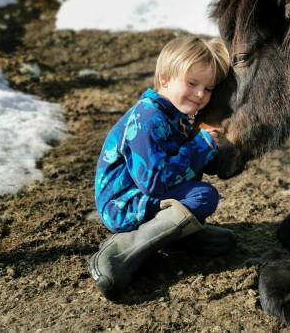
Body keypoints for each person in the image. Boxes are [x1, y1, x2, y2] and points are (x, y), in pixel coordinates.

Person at [88, 35, 235, 299]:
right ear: (165, 78)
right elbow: (154, 181)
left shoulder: (175, 117)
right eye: (192, 83)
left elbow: (185, 164)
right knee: (202, 195)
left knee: (199, 194)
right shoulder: (148, 118)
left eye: (208, 88)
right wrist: (200, 147)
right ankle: (124, 250)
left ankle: (180, 234)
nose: (201, 94)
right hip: (123, 204)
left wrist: (215, 148)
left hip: (144, 195)